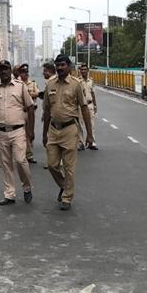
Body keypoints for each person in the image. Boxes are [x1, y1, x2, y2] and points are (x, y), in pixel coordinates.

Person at [41, 54, 93, 211]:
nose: (60, 67)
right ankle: (65, 186)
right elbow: (47, 111)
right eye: (57, 65)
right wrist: (44, 134)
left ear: (69, 66)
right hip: (53, 129)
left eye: (63, 65)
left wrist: (89, 134)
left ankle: (67, 198)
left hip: (70, 129)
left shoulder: (76, 85)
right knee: (52, 165)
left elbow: (84, 109)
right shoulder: (50, 84)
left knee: (69, 166)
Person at [0, 60, 34, 207]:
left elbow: (30, 107)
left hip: (18, 131)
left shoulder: (20, 87)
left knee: (20, 160)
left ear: (11, 71)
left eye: (6, 69)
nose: (3, 72)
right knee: (6, 165)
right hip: (1, 133)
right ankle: (9, 194)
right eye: (0, 69)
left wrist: (30, 130)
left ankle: (26, 187)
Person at [16, 63, 39, 164]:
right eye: (22, 72)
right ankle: (21, 154)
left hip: (30, 112)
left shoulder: (32, 84)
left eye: (26, 72)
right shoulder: (17, 84)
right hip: (20, 112)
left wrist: (28, 94)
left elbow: (37, 93)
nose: (25, 74)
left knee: (29, 133)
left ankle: (29, 154)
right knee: (19, 134)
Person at [78, 64, 99, 151]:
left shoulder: (91, 81)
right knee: (80, 124)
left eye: (84, 69)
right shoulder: (78, 81)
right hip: (81, 105)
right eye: (81, 69)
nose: (83, 71)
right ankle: (81, 143)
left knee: (91, 124)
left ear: (88, 70)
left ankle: (92, 142)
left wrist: (95, 105)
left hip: (89, 104)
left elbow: (93, 93)